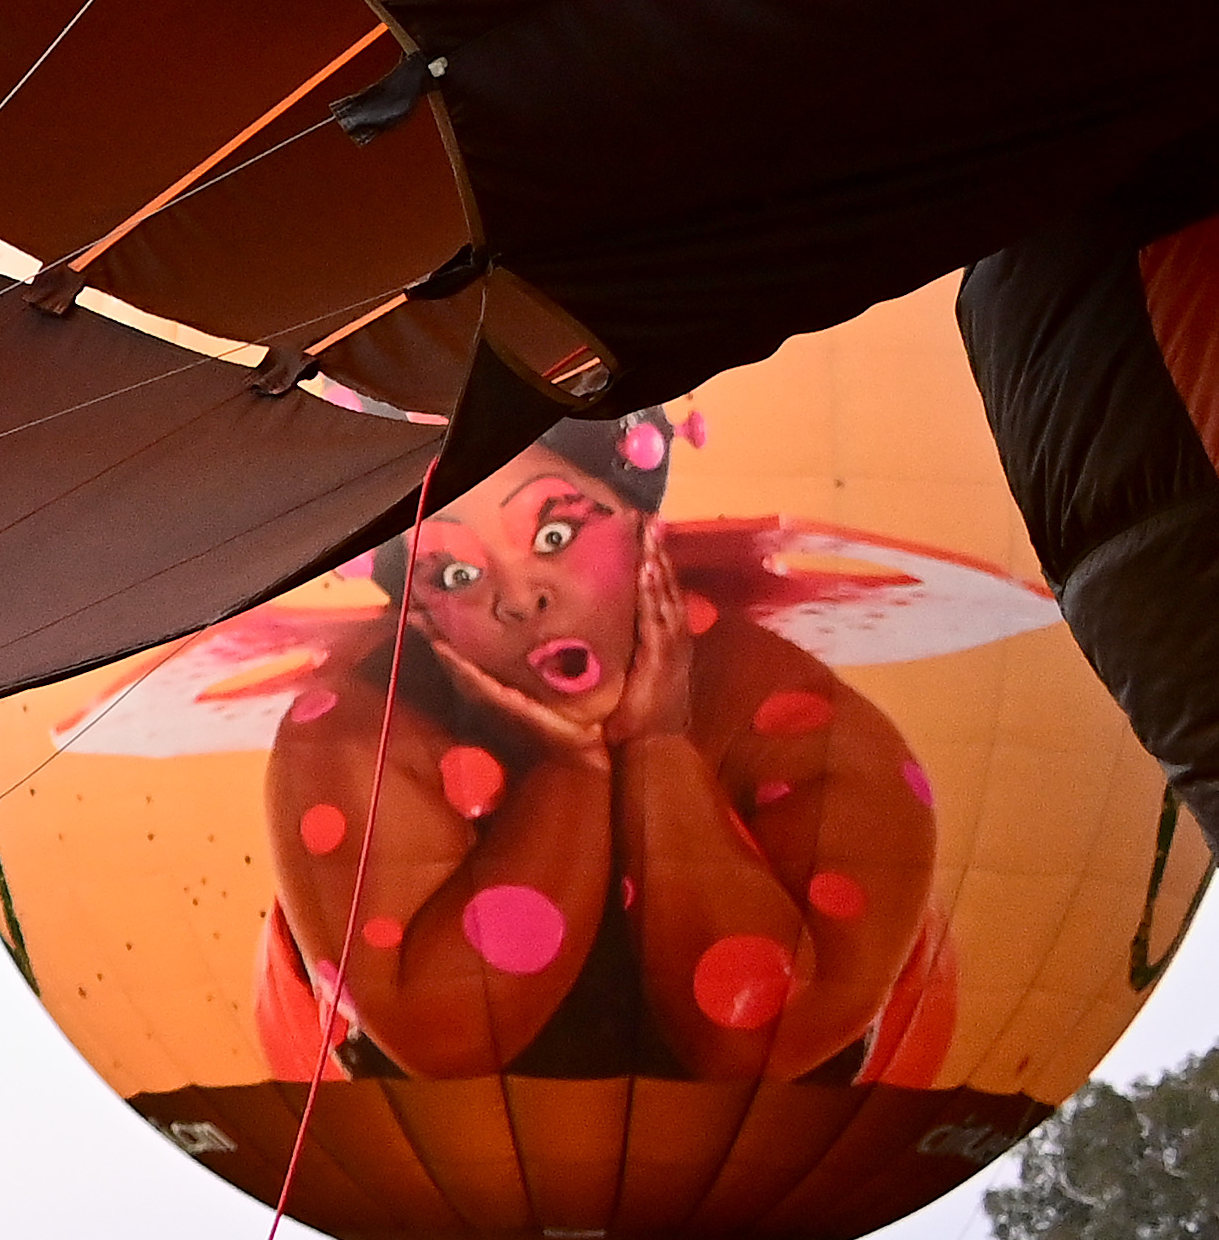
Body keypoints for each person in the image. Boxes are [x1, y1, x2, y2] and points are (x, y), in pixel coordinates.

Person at [264, 413, 940, 1085]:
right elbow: (445, 1036)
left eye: (555, 534)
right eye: (454, 576)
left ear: (646, 533)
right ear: (417, 614)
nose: (521, 597)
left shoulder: (795, 718)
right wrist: (574, 770)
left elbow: (758, 1039)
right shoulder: (353, 732)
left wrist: (658, 749)